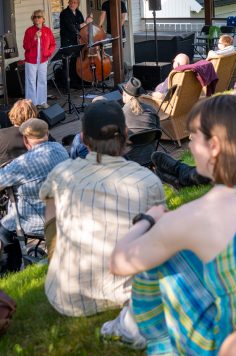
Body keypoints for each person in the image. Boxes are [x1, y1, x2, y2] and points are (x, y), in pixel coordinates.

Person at [108, 95, 236, 354]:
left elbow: (119, 262)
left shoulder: (201, 214)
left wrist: (148, 220)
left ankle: (139, 332)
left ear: (215, 146)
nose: (190, 146)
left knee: (157, 259)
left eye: (193, 138)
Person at [40, 100, 165, 319]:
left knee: (51, 199)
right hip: (129, 293)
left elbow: (49, 207)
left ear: (84, 139)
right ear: (126, 133)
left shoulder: (61, 174)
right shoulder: (148, 180)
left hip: (68, 298)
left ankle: (57, 261)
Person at [0, 118, 68, 273]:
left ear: (25, 139)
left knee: (3, 231)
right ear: (47, 133)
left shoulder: (22, 164)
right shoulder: (60, 149)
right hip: (64, 213)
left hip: (35, 220)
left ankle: (11, 272)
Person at [23, 10, 56, 109]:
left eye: (39, 17)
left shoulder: (47, 30)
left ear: (43, 19)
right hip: (31, 60)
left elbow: (53, 44)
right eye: (35, 17)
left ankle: (42, 101)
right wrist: (34, 38)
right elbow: (26, 46)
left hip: (43, 60)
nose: (37, 19)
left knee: (42, 80)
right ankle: (31, 103)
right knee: (31, 81)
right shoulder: (29, 31)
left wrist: (48, 53)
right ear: (33, 19)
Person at [59, 0, 92, 87]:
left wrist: (87, 23)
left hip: (77, 41)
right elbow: (72, 28)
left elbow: (83, 27)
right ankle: (67, 86)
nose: (72, 4)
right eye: (71, 2)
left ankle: (76, 83)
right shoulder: (64, 13)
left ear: (78, 4)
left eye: (75, 2)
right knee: (67, 63)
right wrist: (85, 23)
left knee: (75, 62)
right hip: (67, 41)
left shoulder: (78, 13)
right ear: (68, 2)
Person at [0, 99, 38, 166]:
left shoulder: (1, 134)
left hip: (6, 174)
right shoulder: (41, 133)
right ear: (34, 114)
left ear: (12, 113)